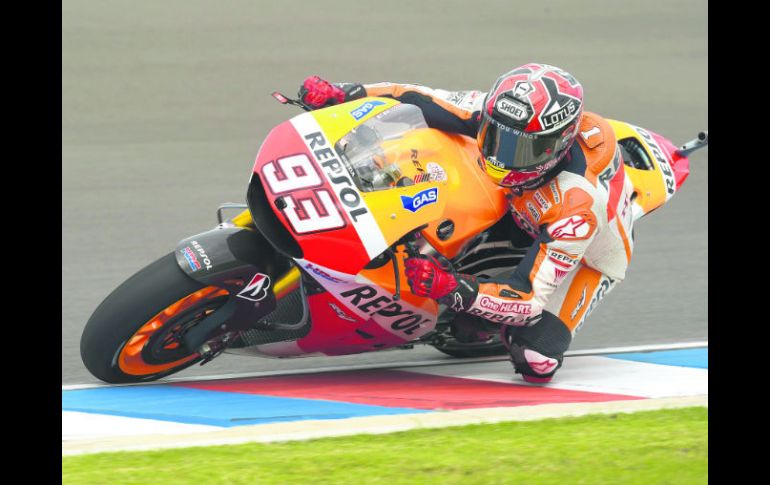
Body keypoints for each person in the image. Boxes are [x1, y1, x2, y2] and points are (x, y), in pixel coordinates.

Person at [297, 63, 634, 383]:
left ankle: (480, 322)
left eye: (521, 149)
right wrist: (347, 93)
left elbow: (526, 298)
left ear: (556, 146)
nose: (502, 155)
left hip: (587, 253)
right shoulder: (497, 113)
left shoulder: (577, 210)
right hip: (518, 197)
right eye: (495, 136)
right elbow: (418, 98)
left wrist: (450, 288)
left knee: (536, 361)